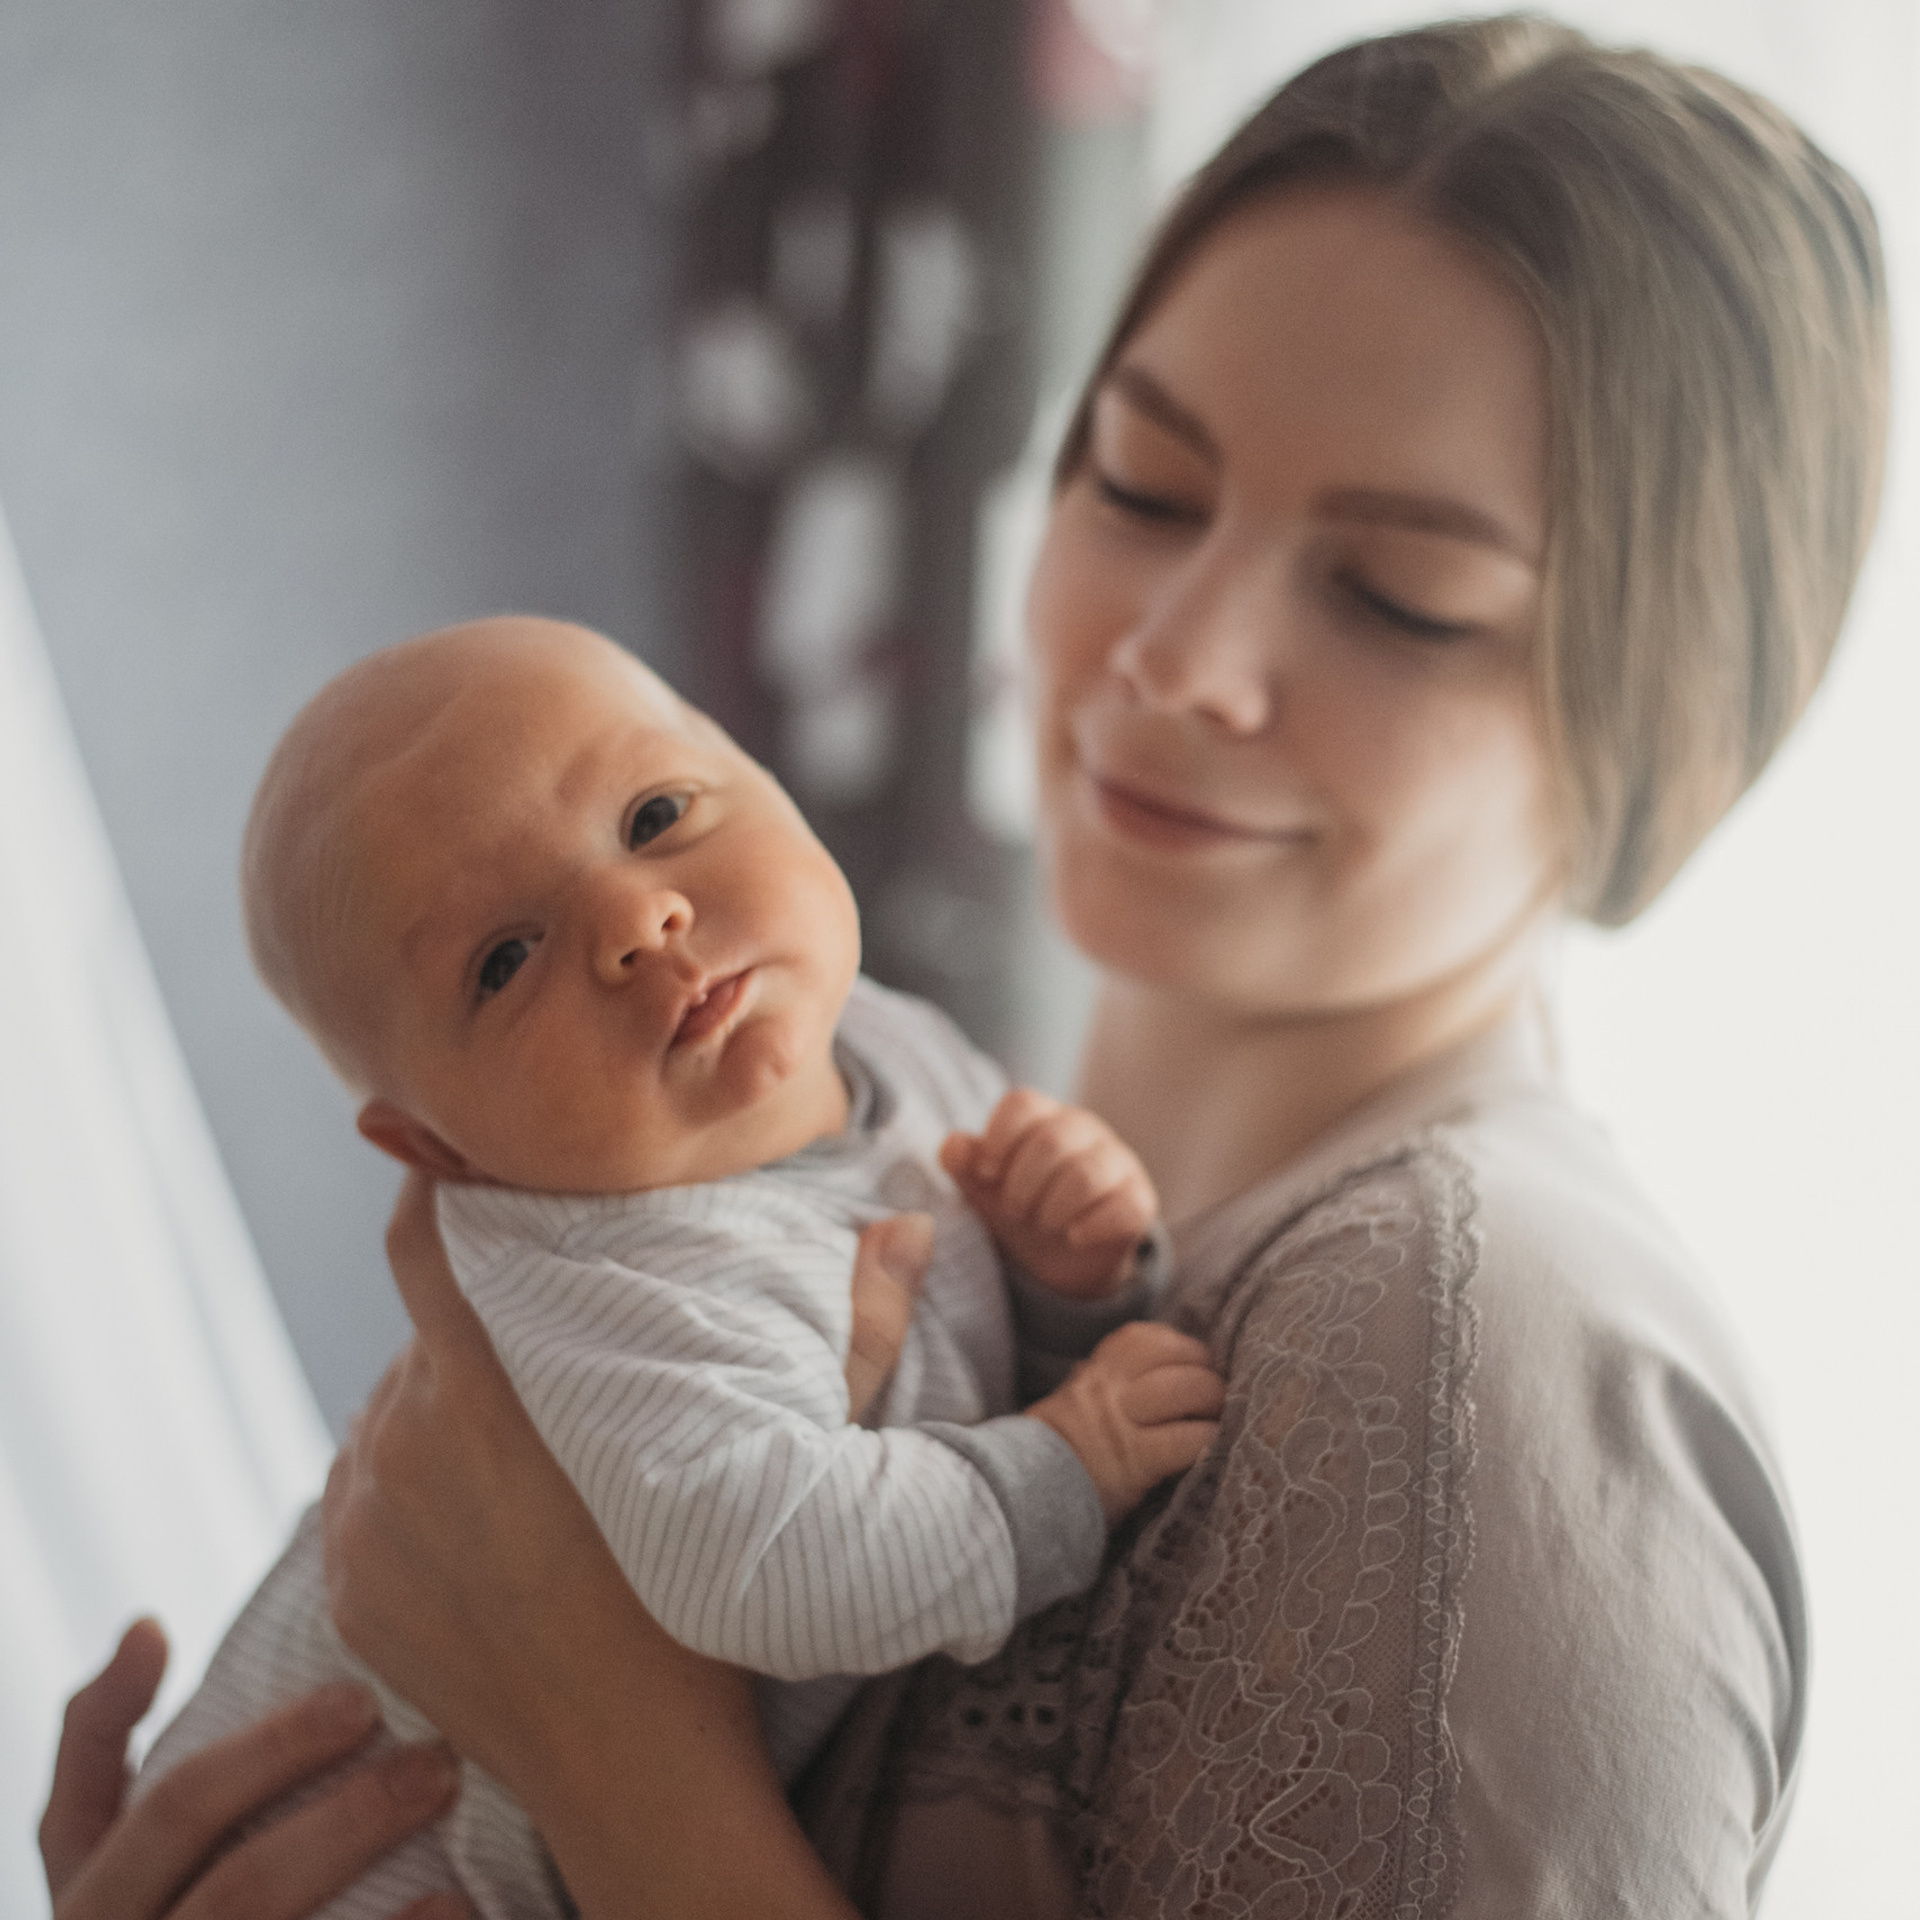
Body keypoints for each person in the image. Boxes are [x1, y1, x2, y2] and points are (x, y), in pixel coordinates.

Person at [42, 15, 1887, 1918]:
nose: (1175, 654)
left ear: (1674, 731)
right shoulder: (911, 1163)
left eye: (1399, 597)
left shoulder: (1482, 1395)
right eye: (1146, 485)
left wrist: (610, 1746)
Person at [123, 616, 1221, 1918]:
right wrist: (1067, 1465)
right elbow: (773, 1567)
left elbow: (940, 1366)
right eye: (505, 959)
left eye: (653, 814)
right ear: (434, 1146)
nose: (638, 918)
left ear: (760, 771)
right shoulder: (625, 1281)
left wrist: (1058, 1275)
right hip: (360, 1864)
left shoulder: (869, 1035)